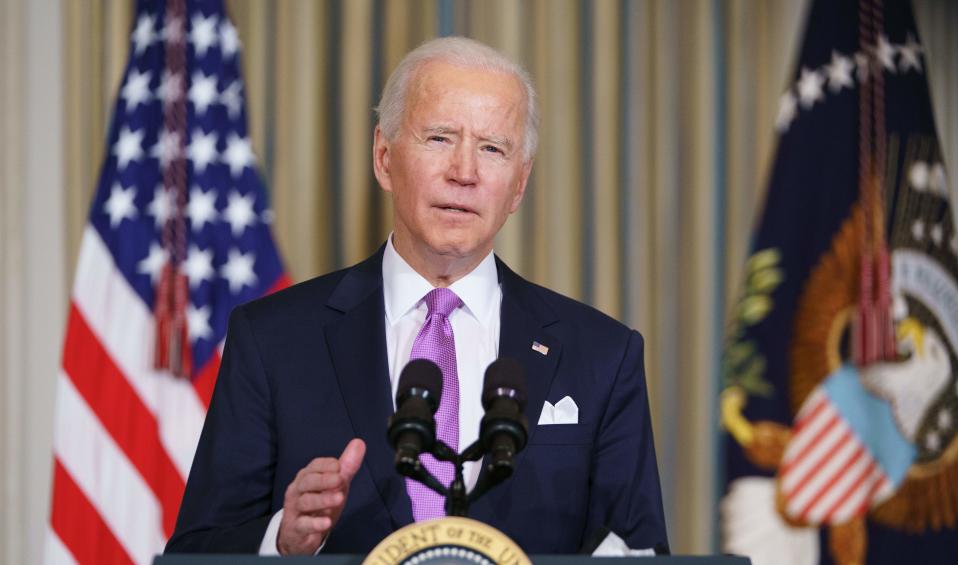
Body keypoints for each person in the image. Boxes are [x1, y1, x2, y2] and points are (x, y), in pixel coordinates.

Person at [166, 36, 668, 556]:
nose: (464, 172)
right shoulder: (273, 339)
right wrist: (282, 540)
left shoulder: (602, 355)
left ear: (518, 185)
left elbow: (641, 551)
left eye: (493, 149)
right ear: (384, 157)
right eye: (439, 138)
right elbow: (196, 552)